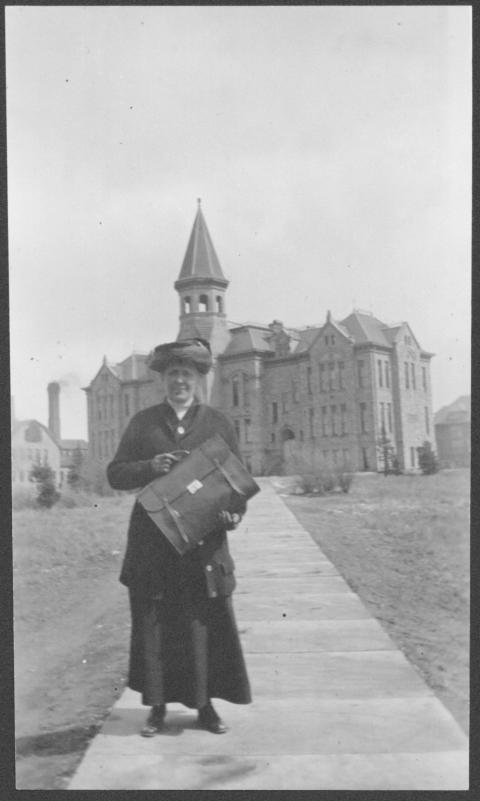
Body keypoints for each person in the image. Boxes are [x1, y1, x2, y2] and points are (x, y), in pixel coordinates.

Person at [107, 338, 252, 737]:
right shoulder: (144, 423)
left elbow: (236, 485)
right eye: (172, 374)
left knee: (200, 623)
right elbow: (115, 473)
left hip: (203, 544)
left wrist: (232, 514)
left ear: (200, 379)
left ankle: (205, 708)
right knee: (156, 624)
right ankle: (156, 708)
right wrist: (150, 466)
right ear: (163, 380)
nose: (180, 382)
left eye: (187, 374)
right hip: (153, 544)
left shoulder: (219, 423)